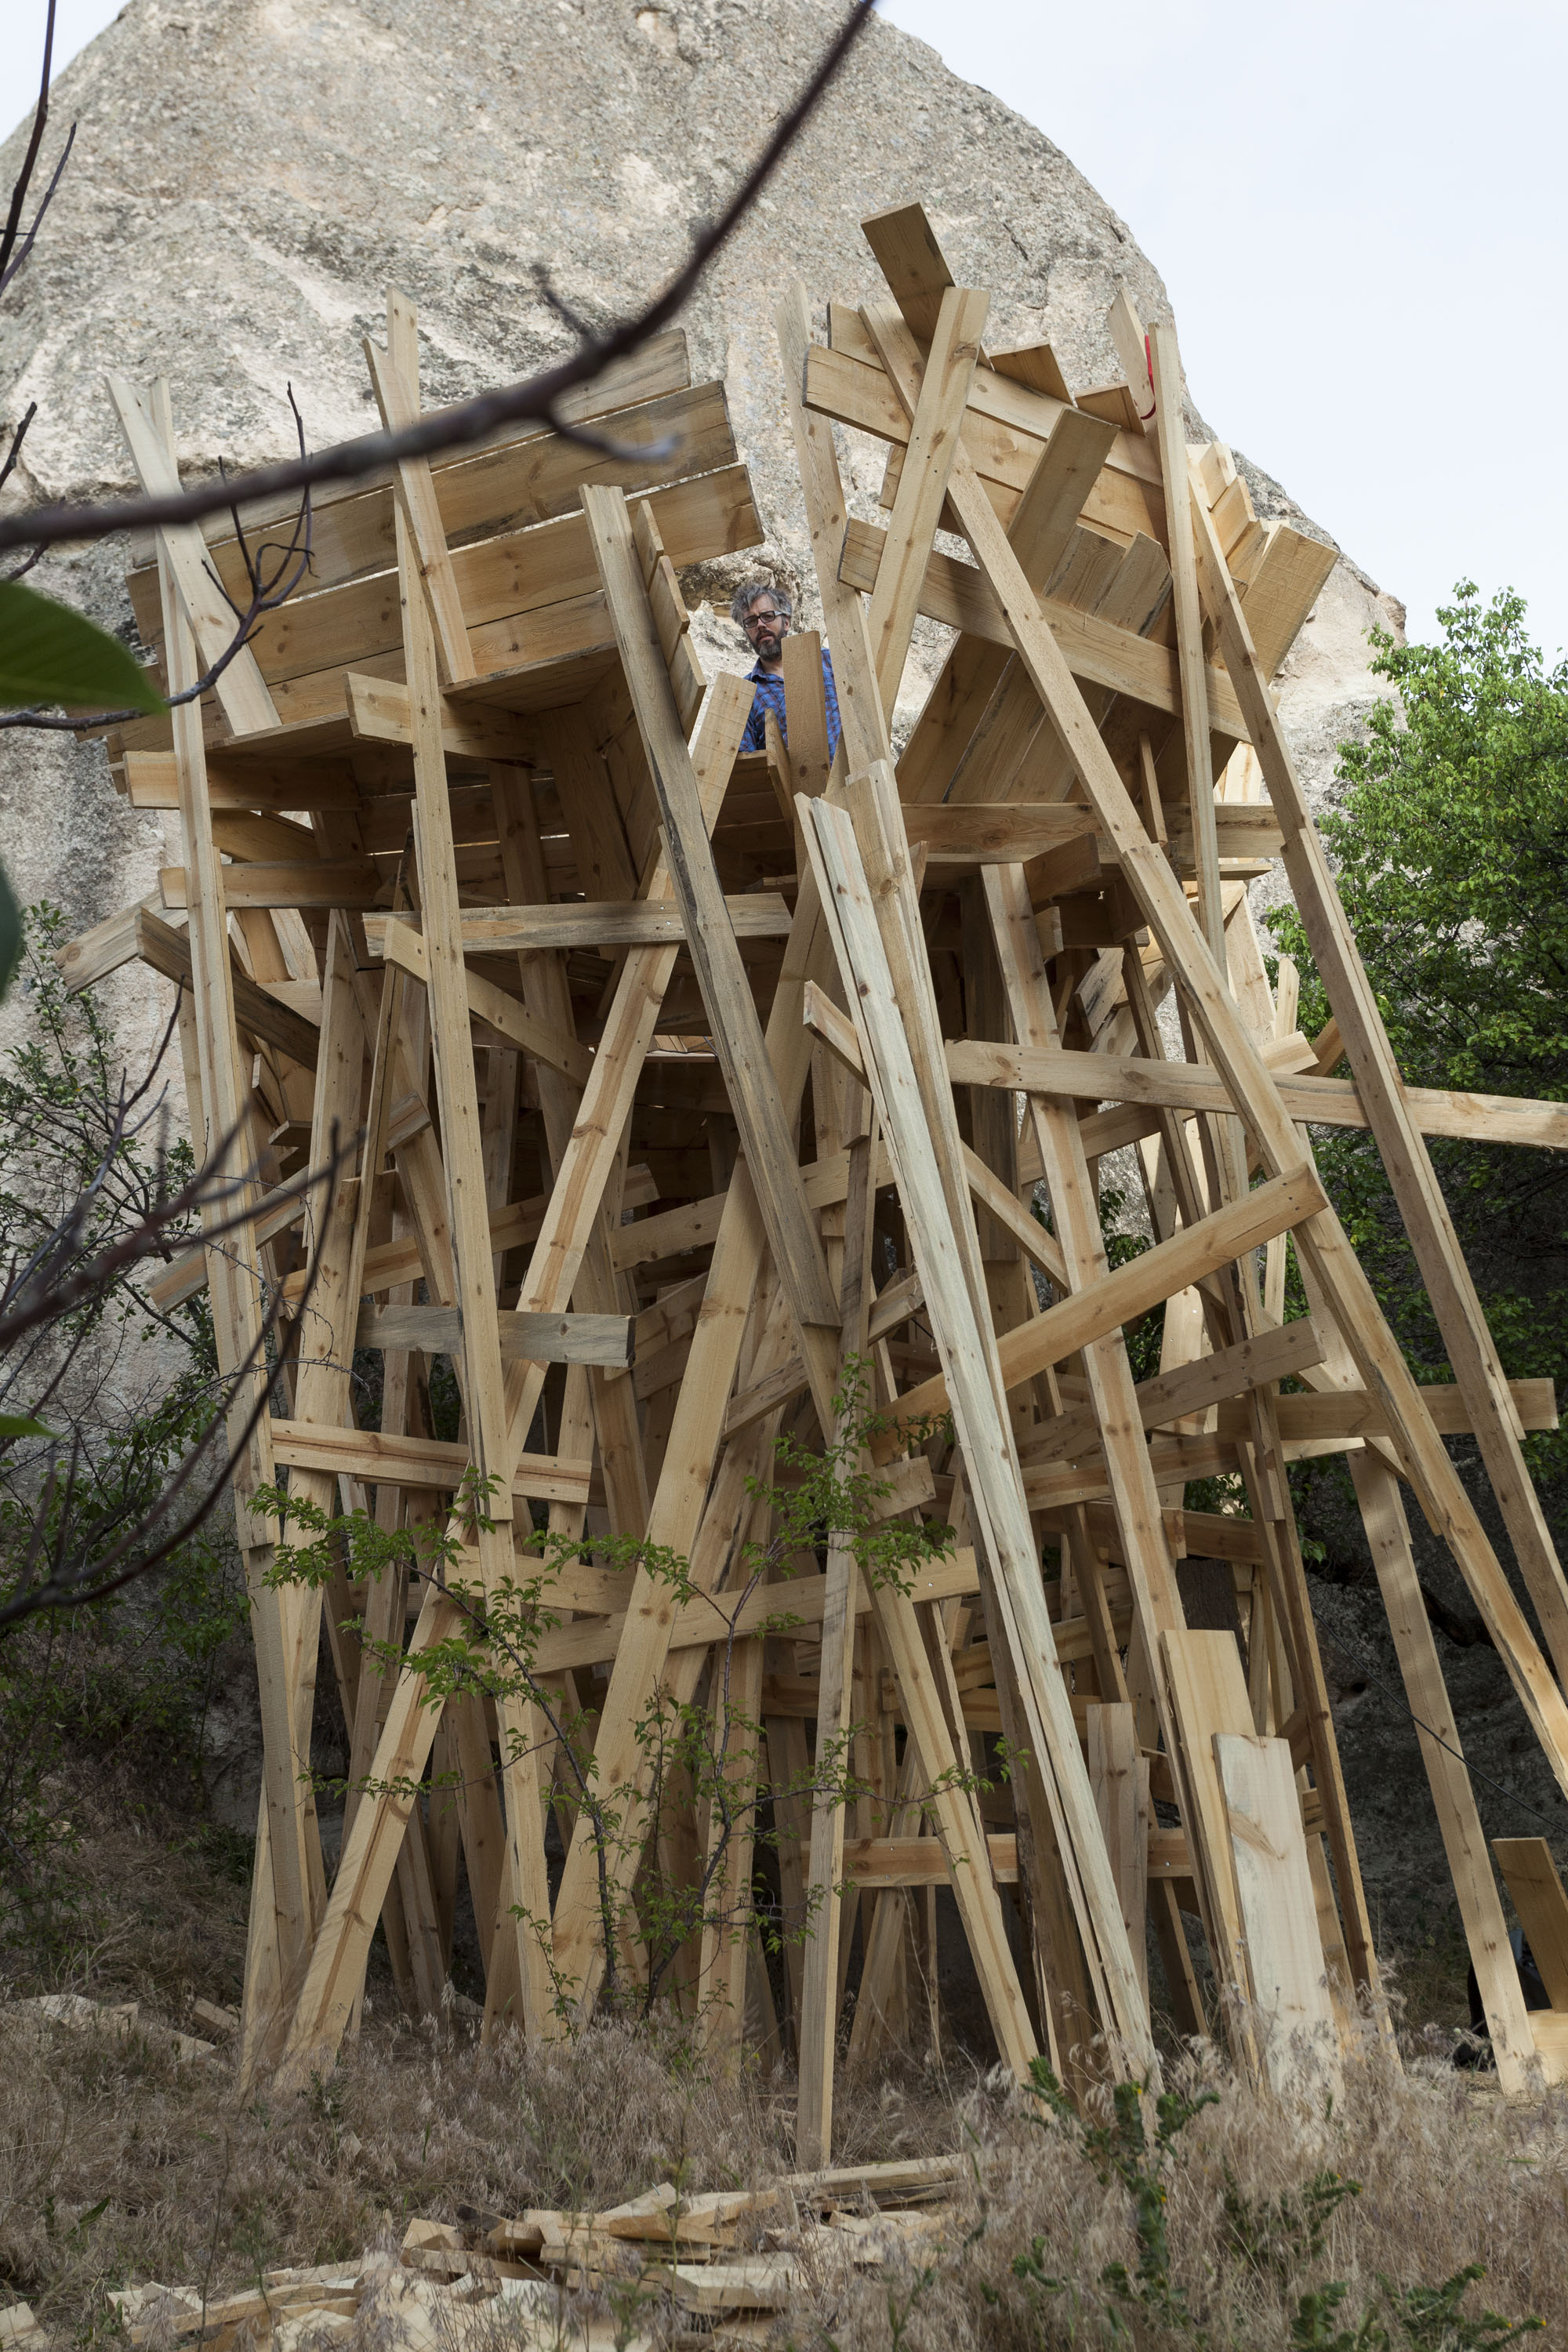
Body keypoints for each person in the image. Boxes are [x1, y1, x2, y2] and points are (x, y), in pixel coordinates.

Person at [731, 581, 842, 760]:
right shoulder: (745, 694)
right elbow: (747, 763)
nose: (760, 625)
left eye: (768, 616)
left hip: (852, 775)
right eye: (751, 621)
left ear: (787, 622)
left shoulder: (828, 661)